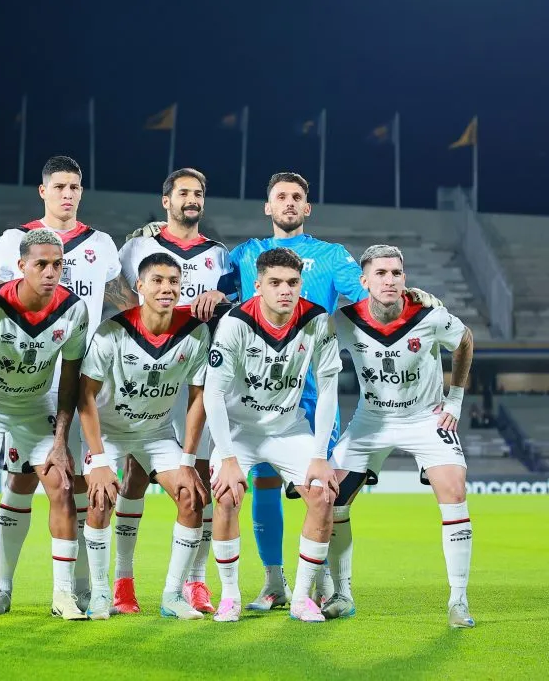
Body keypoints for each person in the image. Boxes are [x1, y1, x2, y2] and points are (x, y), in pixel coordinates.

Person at [217, 171, 441, 611]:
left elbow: (373, 296)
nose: (289, 203)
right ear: (268, 207)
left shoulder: (332, 256)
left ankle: (328, 587)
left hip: (316, 392)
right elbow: (219, 295)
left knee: (325, 492)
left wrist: (411, 297)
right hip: (260, 392)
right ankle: (274, 583)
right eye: (280, 196)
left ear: (307, 207)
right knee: (263, 486)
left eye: (297, 197)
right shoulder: (245, 255)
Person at [0, 155, 121, 615]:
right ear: (43, 191)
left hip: (81, 379)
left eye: (75, 186)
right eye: (59, 186)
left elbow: (117, 295)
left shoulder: (101, 243)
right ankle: (2, 587)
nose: (68, 193)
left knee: (76, 484)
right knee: (20, 483)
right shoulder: (15, 241)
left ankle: (79, 588)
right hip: (25, 378)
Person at [324, 244, 476, 628]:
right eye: (381, 273)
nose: (389, 280)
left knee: (454, 488)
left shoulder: (430, 315)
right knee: (332, 499)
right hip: (369, 421)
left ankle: (458, 601)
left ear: (404, 278)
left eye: (396, 273)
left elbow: (465, 341)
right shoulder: (344, 321)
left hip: (426, 418)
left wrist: (454, 401)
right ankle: (341, 593)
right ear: (364, 281)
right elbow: (311, 352)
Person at [110, 168, 229, 614]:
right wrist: (145, 326)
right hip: (147, 372)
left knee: (197, 478)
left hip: (200, 372)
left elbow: (229, 301)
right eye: (183, 193)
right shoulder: (139, 245)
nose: (192, 199)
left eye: (199, 193)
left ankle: (195, 583)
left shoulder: (218, 254)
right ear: (166, 200)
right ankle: (123, 582)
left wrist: (218, 300)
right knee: (136, 474)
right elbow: (111, 283)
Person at [0, 228, 89, 622]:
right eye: (41, 264)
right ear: (21, 266)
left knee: (62, 485)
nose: (51, 273)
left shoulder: (74, 309)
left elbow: (70, 378)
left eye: (58, 265)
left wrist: (61, 440)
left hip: (35, 404)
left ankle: (63, 594)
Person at [205, 248, 341, 623]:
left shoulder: (317, 320)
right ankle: (230, 596)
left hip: (288, 427)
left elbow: (329, 387)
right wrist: (228, 457)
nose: (285, 290)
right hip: (239, 430)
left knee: (323, 496)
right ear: (258, 286)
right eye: (275, 283)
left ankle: (301, 598)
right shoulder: (235, 322)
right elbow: (213, 393)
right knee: (227, 496)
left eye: (293, 283)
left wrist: (319, 454)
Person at [78, 253, 211, 620]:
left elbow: (199, 397)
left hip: (156, 432)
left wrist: (187, 460)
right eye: (157, 280)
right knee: (101, 500)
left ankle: (172, 596)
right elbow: (84, 395)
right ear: (139, 286)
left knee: (191, 498)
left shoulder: (195, 331)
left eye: (173, 281)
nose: (166, 288)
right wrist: (100, 460)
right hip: (110, 432)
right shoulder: (113, 331)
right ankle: (103, 593)